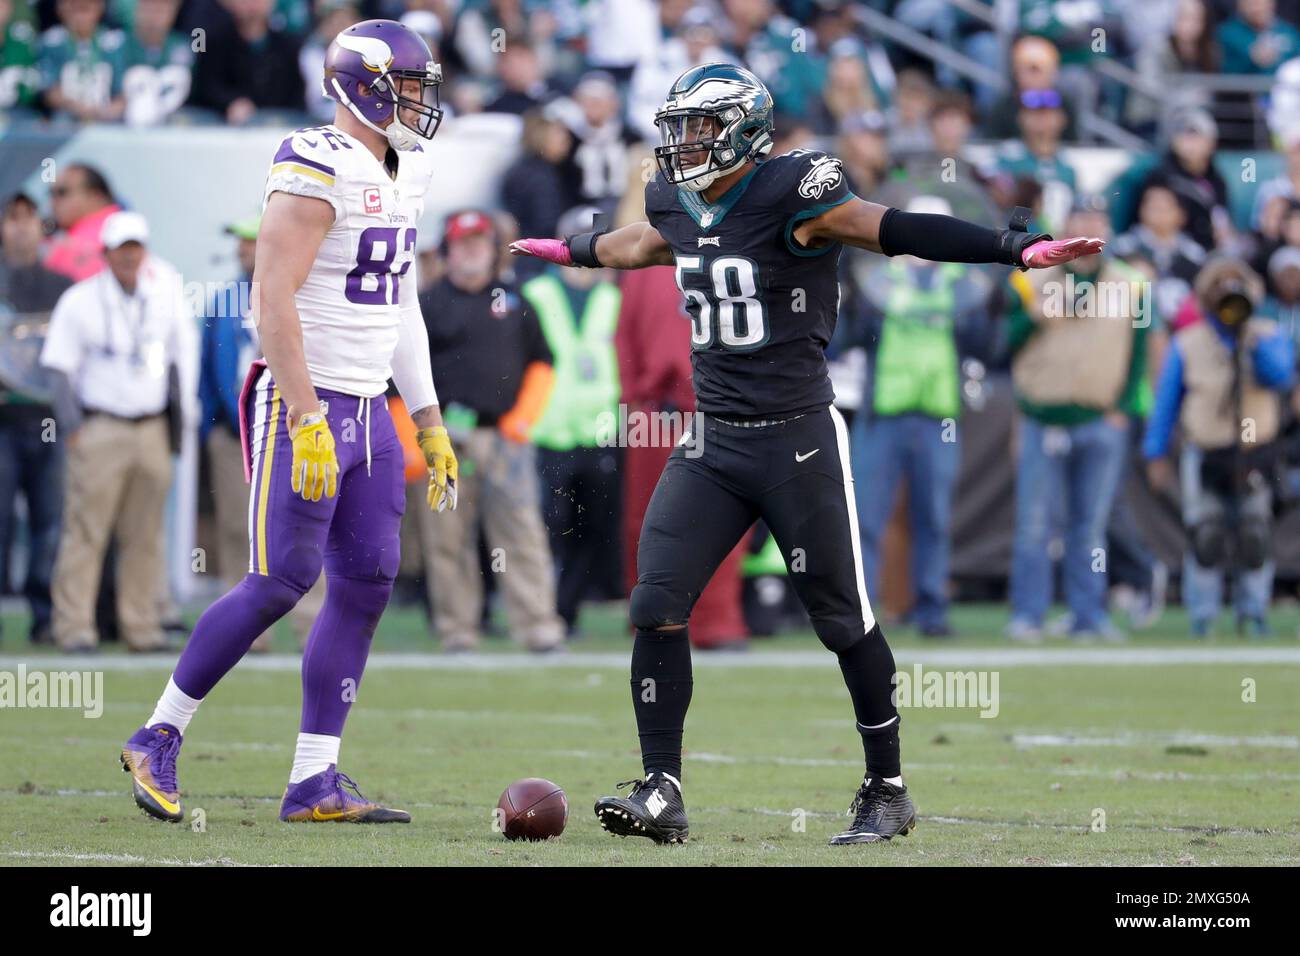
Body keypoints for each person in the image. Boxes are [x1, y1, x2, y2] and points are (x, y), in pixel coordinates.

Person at [511, 63, 1103, 846]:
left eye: (698, 130)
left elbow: (892, 228)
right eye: (677, 131)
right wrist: (575, 248)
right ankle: (662, 789)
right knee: (655, 602)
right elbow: (646, 243)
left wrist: (1007, 248)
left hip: (797, 437)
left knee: (842, 620)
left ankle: (886, 787)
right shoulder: (677, 200)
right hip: (714, 438)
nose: (681, 147)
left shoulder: (796, 191)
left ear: (744, 132)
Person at [120, 19, 458, 825]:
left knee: (369, 582)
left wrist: (428, 418)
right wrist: (306, 415)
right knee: (279, 581)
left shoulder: (407, 166)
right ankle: (157, 733)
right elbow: (271, 299)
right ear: (366, 85)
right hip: (302, 398)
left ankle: (315, 778)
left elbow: (400, 301)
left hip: (372, 407)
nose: (422, 101)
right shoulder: (315, 163)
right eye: (410, 86)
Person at [39, 211, 196, 653]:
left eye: (136, 247)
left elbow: (176, 365)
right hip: (101, 426)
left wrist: (175, 430)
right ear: (106, 253)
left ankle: (141, 626)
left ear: (144, 251)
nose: (129, 256)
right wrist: (72, 430)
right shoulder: (81, 300)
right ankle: (74, 628)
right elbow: (58, 369)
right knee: (86, 531)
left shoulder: (160, 296)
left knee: (145, 534)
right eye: (121, 248)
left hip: (150, 427)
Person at [416, 209, 564, 653]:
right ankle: (457, 629)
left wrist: (523, 418)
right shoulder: (426, 304)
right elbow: (397, 375)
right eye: (462, 243)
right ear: (447, 250)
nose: (471, 251)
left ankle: (538, 626)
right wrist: (414, 441)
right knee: (447, 539)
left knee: (521, 532)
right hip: (444, 438)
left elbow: (543, 361)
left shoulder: (515, 299)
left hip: (504, 436)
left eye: (479, 242)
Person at [849, 197, 995, 638]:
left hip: (937, 416)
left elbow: (984, 344)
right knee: (867, 518)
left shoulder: (958, 282)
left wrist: (975, 302)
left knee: (933, 518)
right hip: (885, 413)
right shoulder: (880, 279)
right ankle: (862, 614)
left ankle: (932, 611)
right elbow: (852, 334)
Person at [1005, 205, 1148, 643]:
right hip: (1042, 415)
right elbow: (1003, 343)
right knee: (1034, 523)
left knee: (1090, 525)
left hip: (1099, 417)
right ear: (1066, 228)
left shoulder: (1131, 284)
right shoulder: (1030, 277)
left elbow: (1139, 350)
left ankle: (1088, 614)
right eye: (1079, 223)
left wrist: (1124, 406)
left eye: (1096, 223)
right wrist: (1031, 321)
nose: (1088, 231)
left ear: (1107, 230)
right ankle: (1029, 614)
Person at [1143, 256, 1295, 636]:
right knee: (1205, 535)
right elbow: (1166, 402)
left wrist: (1253, 344)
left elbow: (1280, 377)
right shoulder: (1189, 342)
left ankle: (1253, 612)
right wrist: (1155, 452)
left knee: (1255, 534)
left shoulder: (1265, 333)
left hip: (1254, 449)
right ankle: (1203, 616)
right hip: (1206, 450)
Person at [198, 215, 323, 652]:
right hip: (237, 434)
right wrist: (215, 425)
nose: (244, 251)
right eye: (241, 244)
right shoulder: (224, 300)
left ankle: (312, 624)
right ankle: (250, 630)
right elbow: (208, 369)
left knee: (308, 523)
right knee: (238, 527)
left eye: (252, 242)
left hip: (292, 427)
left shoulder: (304, 292)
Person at [524, 204, 625, 637]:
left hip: (600, 430)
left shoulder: (613, 296)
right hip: (547, 429)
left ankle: (567, 612)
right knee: (549, 527)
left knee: (593, 529)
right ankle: (541, 610)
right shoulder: (536, 294)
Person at [0, 192, 71, 647]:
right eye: (12, 218)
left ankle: (45, 617)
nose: (22, 227)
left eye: (30, 218)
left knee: (51, 523)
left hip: (50, 421)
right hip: (3, 423)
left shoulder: (64, 287)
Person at [44, 163, 120, 282]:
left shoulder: (102, 238)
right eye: (51, 194)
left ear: (95, 196)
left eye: (62, 192)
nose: (53, 202)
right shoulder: (123, 229)